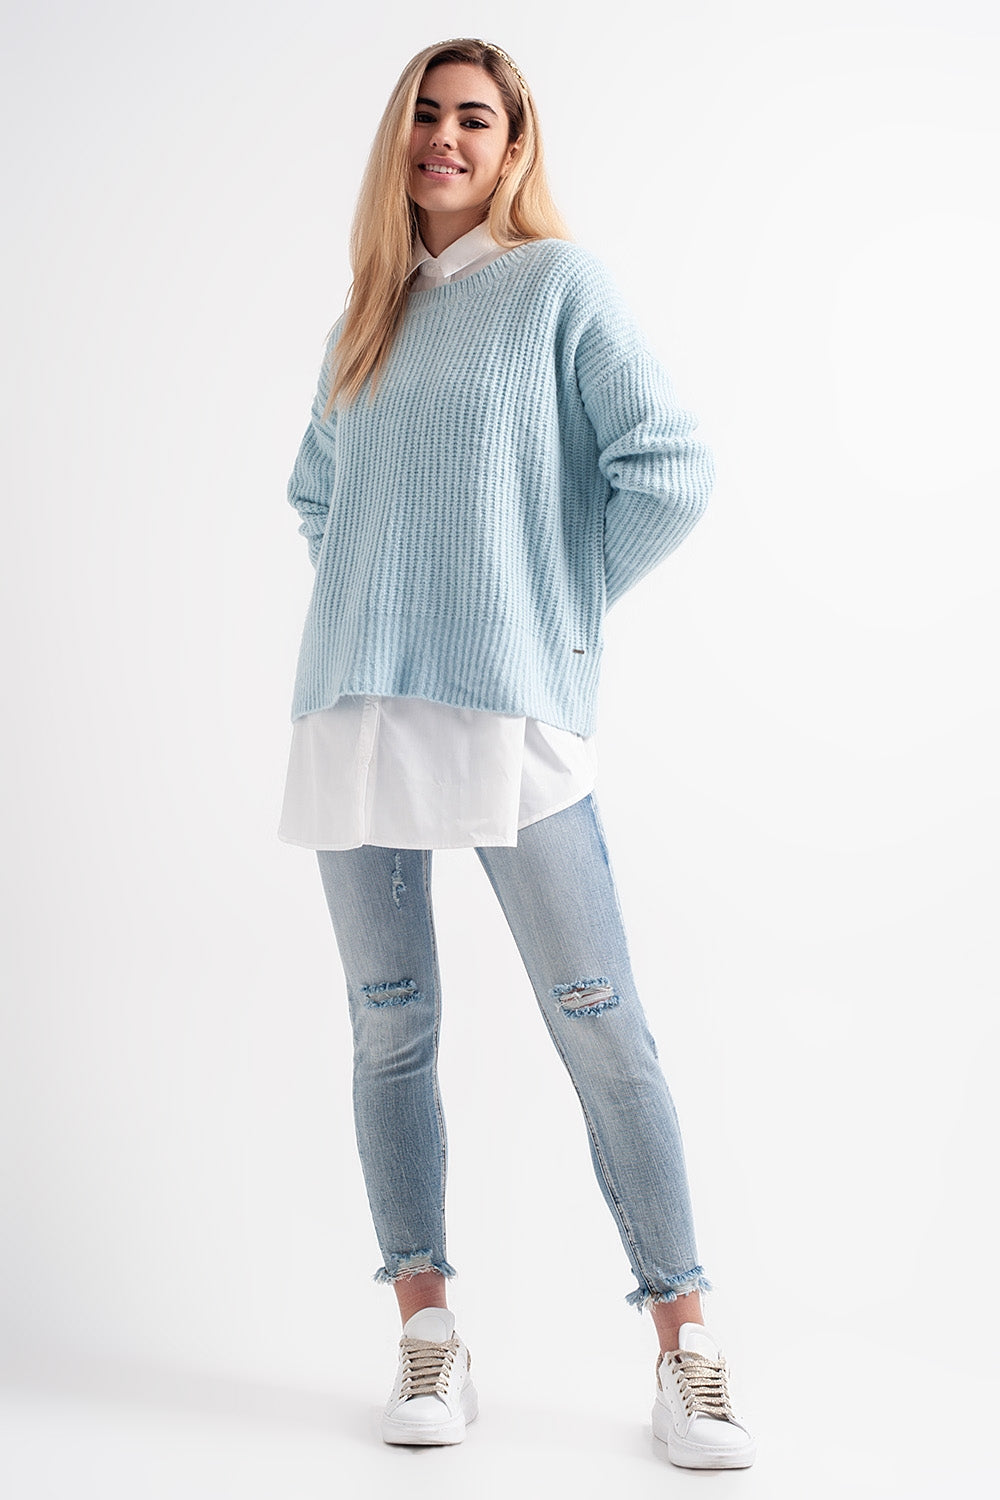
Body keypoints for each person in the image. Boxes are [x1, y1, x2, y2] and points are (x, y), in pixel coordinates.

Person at [278, 36, 755, 1469]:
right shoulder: (365, 319)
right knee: (390, 1028)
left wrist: (550, 608)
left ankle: (687, 1346)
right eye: (425, 114)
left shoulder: (557, 288)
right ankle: (428, 1331)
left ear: (513, 144)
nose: (445, 136)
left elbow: (668, 466)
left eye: (473, 118)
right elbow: (316, 497)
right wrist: (385, 600)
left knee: (600, 1022)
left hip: (510, 712)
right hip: (359, 712)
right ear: (398, 137)